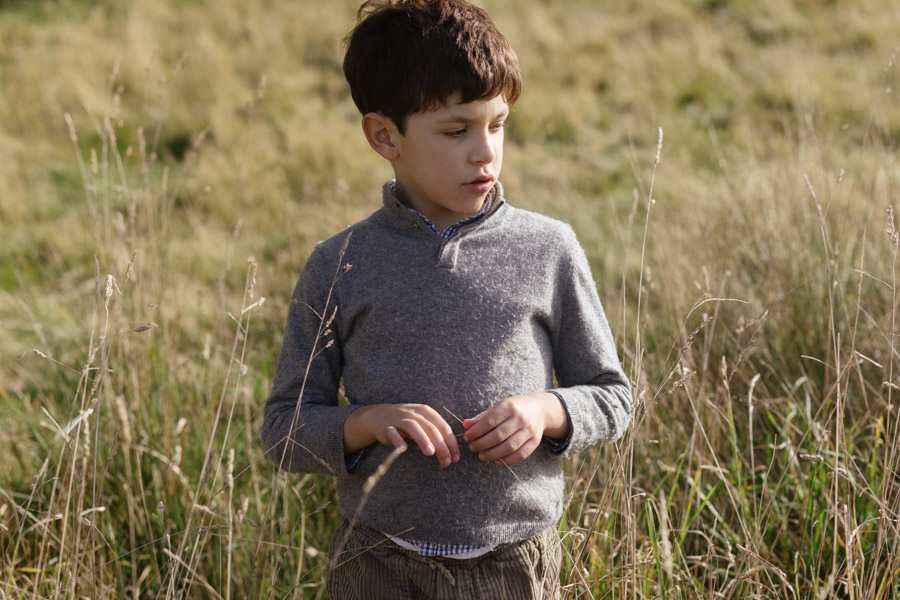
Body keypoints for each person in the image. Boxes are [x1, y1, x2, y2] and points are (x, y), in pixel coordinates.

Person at [261, 1, 633, 597]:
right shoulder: (339, 263)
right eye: (456, 130)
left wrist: (546, 412)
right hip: (375, 560)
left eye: (498, 124)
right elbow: (285, 429)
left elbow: (613, 398)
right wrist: (366, 422)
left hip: (514, 562)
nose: (484, 151)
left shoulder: (549, 248)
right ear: (385, 135)